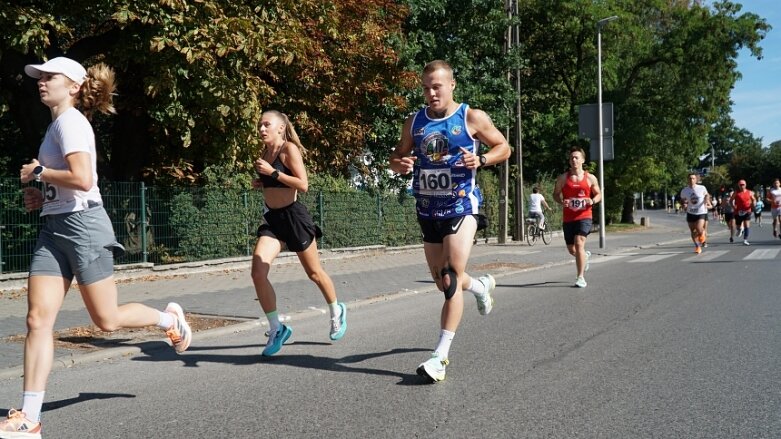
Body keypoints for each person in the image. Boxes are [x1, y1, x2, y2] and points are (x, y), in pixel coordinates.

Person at [0, 57, 191, 438]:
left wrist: (38, 172)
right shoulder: (55, 125)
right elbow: (66, 183)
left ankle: (170, 320)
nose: (41, 81)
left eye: (49, 76)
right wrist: (43, 197)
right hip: (55, 227)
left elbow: (85, 178)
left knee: (106, 320)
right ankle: (30, 419)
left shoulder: (71, 122)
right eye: (39, 77)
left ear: (72, 86)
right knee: (37, 320)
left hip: (85, 227)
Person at [389, 60, 510, 382]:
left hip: (461, 207)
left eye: (436, 87)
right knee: (442, 279)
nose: (431, 93)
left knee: (450, 276)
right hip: (427, 209)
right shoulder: (413, 122)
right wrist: (399, 164)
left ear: (452, 85)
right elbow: (397, 157)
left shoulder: (471, 117)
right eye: (426, 88)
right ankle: (481, 286)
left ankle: (439, 357)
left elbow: (504, 147)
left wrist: (482, 158)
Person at [250, 110, 347, 357]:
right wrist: (263, 182)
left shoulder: (288, 149)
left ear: (281, 128)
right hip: (273, 220)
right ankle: (277, 328)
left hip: (294, 218)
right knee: (258, 272)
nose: (261, 129)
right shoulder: (265, 152)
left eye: (266, 125)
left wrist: (272, 173)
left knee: (314, 273)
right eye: (260, 125)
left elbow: (303, 185)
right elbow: (278, 183)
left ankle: (336, 310)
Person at [553, 146, 602, 288]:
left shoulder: (590, 178)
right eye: (571, 158)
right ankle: (584, 257)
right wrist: (562, 201)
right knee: (572, 249)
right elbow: (555, 194)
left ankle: (580, 277)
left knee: (579, 243)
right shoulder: (563, 178)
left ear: (583, 160)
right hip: (568, 218)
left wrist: (592, 200)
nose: (573, 160)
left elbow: (599, 194)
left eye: (576, 157)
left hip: (584, 216)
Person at [679, 173, 711, 254]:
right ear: (687, 180)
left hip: (701, 211)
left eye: (693, 178)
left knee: (699, 227)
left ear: (696, 180)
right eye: (690, 178)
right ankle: (697, 246)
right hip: (690, 212)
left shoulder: (702, 188)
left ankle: (702, 234)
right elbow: (682, 200)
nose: (691, 180)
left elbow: (707, 195)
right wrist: (684, 204)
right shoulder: (684, 190)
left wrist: (706, 200)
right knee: (693, 231)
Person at [729, 179, 757, 246]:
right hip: (738, 212)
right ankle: (740, 229)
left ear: (745, 185)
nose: (742, 186)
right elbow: (730, 201)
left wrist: (754, 204)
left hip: (747, 211)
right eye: (740, 185)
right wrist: (733, 207)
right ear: (738, 185)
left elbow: (754, 199)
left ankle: (745, 240)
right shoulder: (736, 193)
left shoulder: (749, 192)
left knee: (747, 225)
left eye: (743, 185)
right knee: (738, 226)